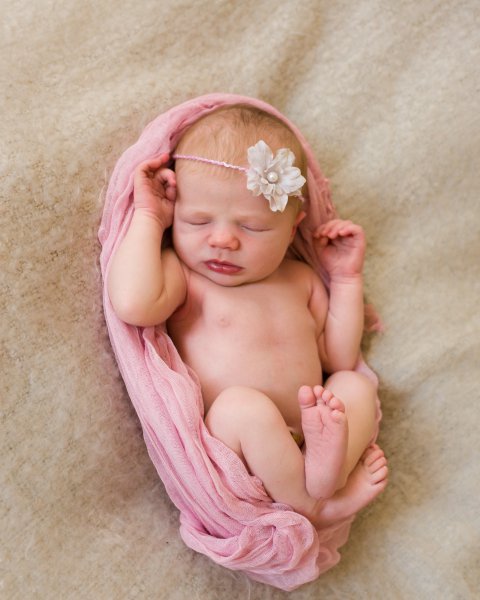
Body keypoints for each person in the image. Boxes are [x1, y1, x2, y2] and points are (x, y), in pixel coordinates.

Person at [108, 105, 388, 528]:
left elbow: (339, 358)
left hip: (308, 431)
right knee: (239, 406)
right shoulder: (186, 278)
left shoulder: (300, 279)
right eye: (197, 221)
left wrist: (346, 279)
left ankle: (323, 472)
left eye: (253, 228)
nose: (222, 240)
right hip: (242, 441)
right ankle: (316, 505)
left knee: (355, 385)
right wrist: (149, 216)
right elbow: (132, 302)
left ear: (291, 229)